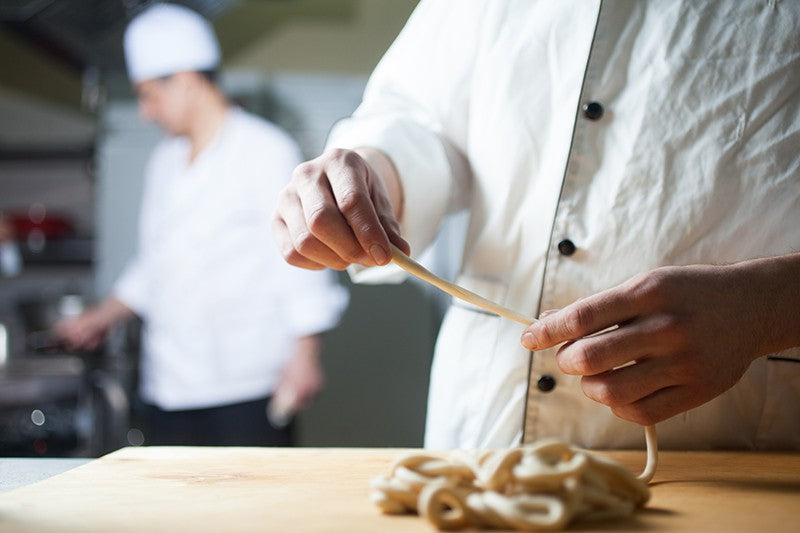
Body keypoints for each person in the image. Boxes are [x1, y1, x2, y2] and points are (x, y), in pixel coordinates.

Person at [272, 0, 800, 450]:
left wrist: (770, 307)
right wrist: (372, 177)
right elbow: (422, 118)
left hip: (734, 440)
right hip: (488, 429)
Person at [56, 3, 348, 446]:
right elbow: (157, 261)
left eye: (148, 94)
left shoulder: (265, 150)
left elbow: (304, 263)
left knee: (249, 515)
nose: (145, 111)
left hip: (247, 388)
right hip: (169, 386)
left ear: (187, 83)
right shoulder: (164, 163)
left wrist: (306, 355)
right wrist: (103, 316)